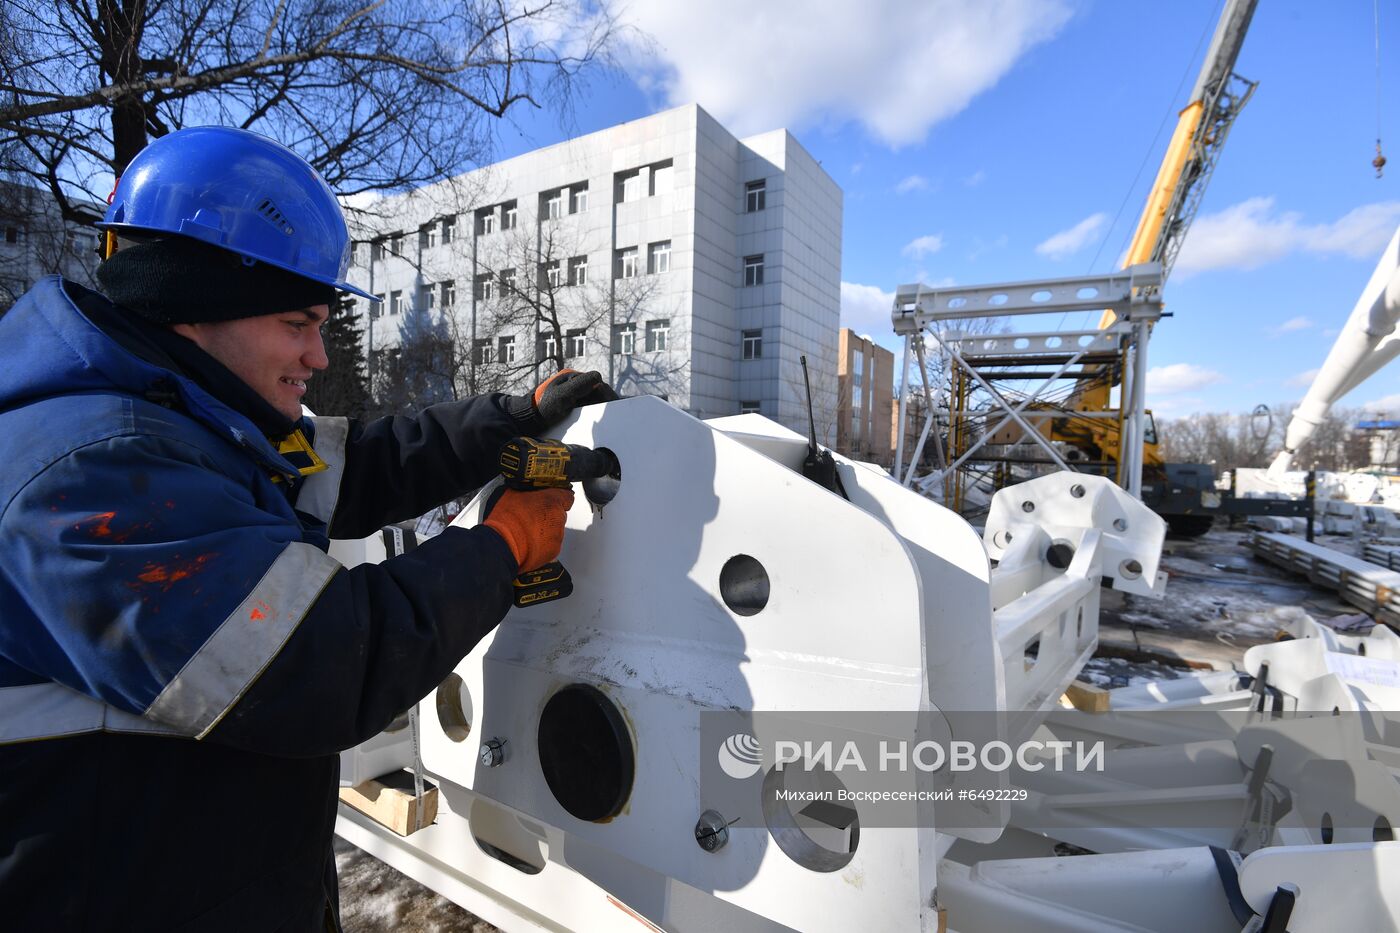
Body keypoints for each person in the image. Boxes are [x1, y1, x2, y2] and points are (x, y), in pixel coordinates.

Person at [0, 126, 613, 930]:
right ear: (193, 304)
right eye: (298, 322)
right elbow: (319, 661)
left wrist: (507, 421)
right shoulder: (88, 476)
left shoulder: (190, 418)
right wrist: (501, 547)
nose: (318, 356)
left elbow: (361, 466)